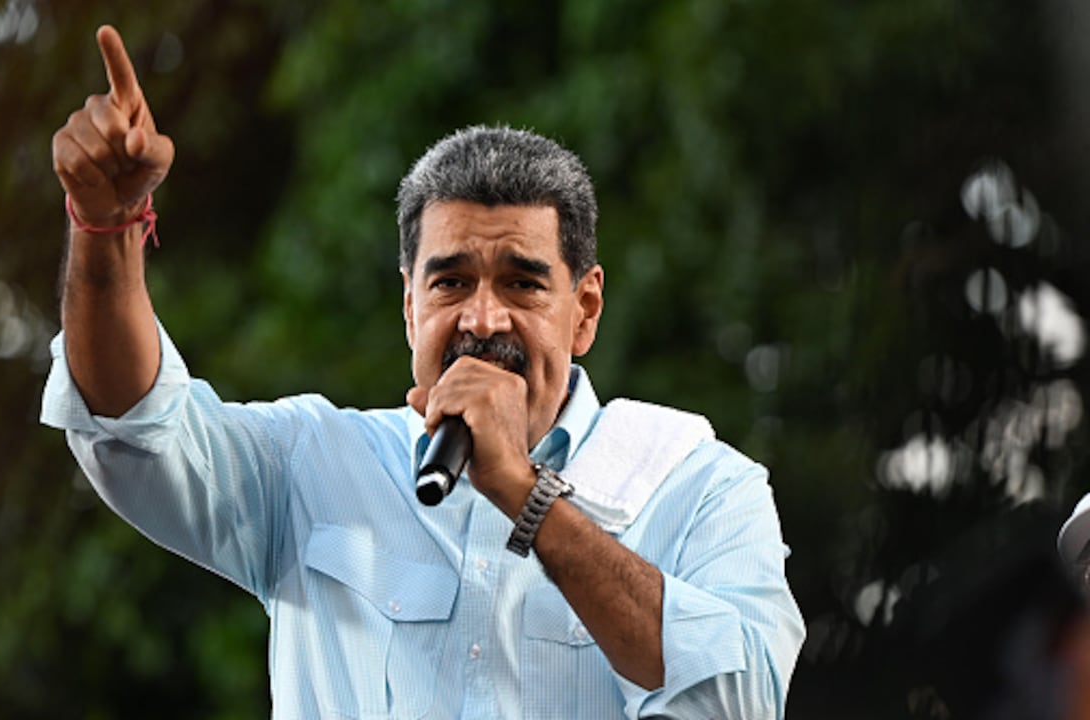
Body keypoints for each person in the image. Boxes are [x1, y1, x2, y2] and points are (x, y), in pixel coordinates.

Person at [43, 24, 805, 719]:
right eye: (449, 282)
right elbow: (132, 428)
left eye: (522, 281)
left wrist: (523, 492)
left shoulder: (703, 488)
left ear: (586, 309)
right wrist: (105, 228)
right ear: (409, 309)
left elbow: (739, 701)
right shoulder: (314, 465)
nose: (481, 319)